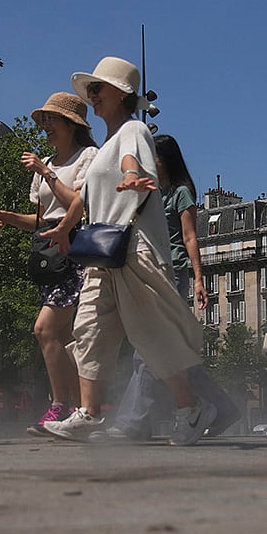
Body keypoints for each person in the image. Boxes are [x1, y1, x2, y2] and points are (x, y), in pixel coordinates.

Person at [41, 56, 217, 445]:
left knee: (152, 335)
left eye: (98, 88)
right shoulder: (104, 146)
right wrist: (64, 227)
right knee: (88, 328)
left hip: (136, 250)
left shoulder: (133, 130)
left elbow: (131, 158)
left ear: (121, 93)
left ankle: (192, 409)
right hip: (103, 253)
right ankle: (89, 414)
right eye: (90, 90)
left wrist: (133, 175)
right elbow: (84, 197)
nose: (92, 95)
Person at [94, 134, 239, 441]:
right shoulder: (149, 191)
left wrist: (198, 279)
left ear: (165, 160)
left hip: (173, 275)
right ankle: (223, 408)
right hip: (148, 271)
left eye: (153, 157)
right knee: (174, 353)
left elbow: (190, 237)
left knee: (149, 348)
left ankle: (134, 422)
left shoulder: (180, 193)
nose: (148, 162)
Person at [0, 91, 98, 436]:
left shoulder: (87, 157)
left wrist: (46, 172)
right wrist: (9, 218)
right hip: (50, 255)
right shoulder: (46, 163)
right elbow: (42, 220)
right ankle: (81, 410)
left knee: (44, 329)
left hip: (75, 250)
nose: (46, 126)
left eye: (52, 121)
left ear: (72, 124)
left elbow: (78, 204)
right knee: (64, 338)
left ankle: (60, 404)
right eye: (44, 121)